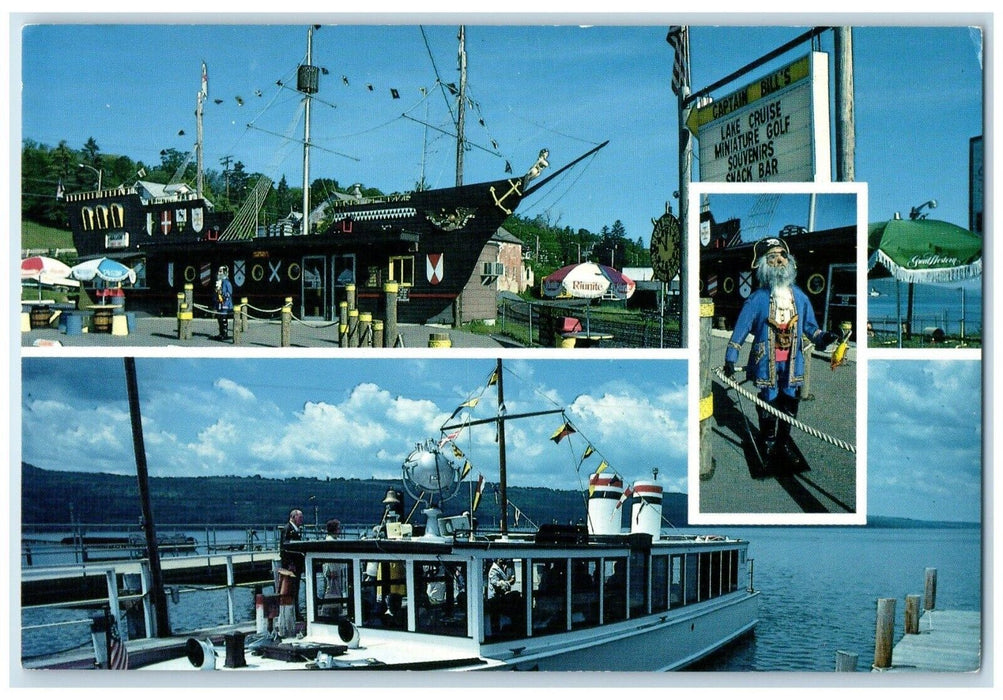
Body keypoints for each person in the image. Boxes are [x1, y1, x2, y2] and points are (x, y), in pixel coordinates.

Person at [723, 237, 838, 471]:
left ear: (790, 261)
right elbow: (741, 330)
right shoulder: (757, 299)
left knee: (789, 403)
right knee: (769, 400)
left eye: (782, 256)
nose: (779, 260)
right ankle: (767, 442)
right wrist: (730, 359)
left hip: (793, 363)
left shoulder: (800, 297)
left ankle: (784, 443)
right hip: (767, 362)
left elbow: (809, 326)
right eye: (772, 257)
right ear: (764, 265)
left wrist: (822, 337)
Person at [279, 508, 305, 620]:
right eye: (300, 518)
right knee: (290, 590)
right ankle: (292, 614)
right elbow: (284, 548)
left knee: (295, 590)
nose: (301, 520)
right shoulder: (287, 529)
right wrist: (290, 564)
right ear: (293, 517)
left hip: (296, 566)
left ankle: (295, 612)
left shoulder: (295, 530)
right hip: (291, 567)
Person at [214, 265, 233, 341]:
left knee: (223, 318)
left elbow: (229, 293)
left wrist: (223, 294)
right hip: (219, 303)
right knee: (219, 318)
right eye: (219, 271)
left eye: (221, 271)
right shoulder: (219, 282)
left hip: (225, 303)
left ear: (225, 272)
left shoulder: (227, 282)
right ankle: (221, 333)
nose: (219, 273)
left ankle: (225, 333)